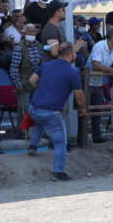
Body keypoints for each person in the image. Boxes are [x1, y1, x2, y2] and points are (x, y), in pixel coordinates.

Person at [27, 43, 86, 181]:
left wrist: (41, 90)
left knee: (41, 120)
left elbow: (31, 80)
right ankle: (58, 172)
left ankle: (33, 145)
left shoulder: (46, 65)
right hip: (51, 111)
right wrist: (82, 108)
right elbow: (80, 96)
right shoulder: (72, 73)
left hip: (33, 107)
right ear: (70, 54)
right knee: (60, 142)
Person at [87, 26, 113, 143]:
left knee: (97, 111)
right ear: (112, 37)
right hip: (87, 82)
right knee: (84, 110)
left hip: (98, 82)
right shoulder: (99, 46)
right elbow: (95, 65)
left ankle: (96, 136)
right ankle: (82, 139)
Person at [9, 22, 43, 137]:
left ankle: (36, 132)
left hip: (37, 83)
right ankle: (22, 133)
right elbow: (14, 68)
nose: (32, 33)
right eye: (29, 31)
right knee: (23, 108)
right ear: (24, 33)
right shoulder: (19, 47)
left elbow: (42, 64)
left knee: (38, 108)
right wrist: (18, 85)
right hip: (23, 83)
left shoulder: (38, 45)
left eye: (33, 31)